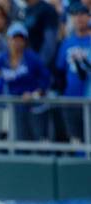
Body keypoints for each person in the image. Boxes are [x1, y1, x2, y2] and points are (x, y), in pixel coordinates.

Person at [56, 2, 90, 141]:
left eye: (82, 14)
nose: (79, 18)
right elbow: (60, 70)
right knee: (75, 138)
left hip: (89, 98)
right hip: (71, 98)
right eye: (75, 15)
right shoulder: (67, 42)